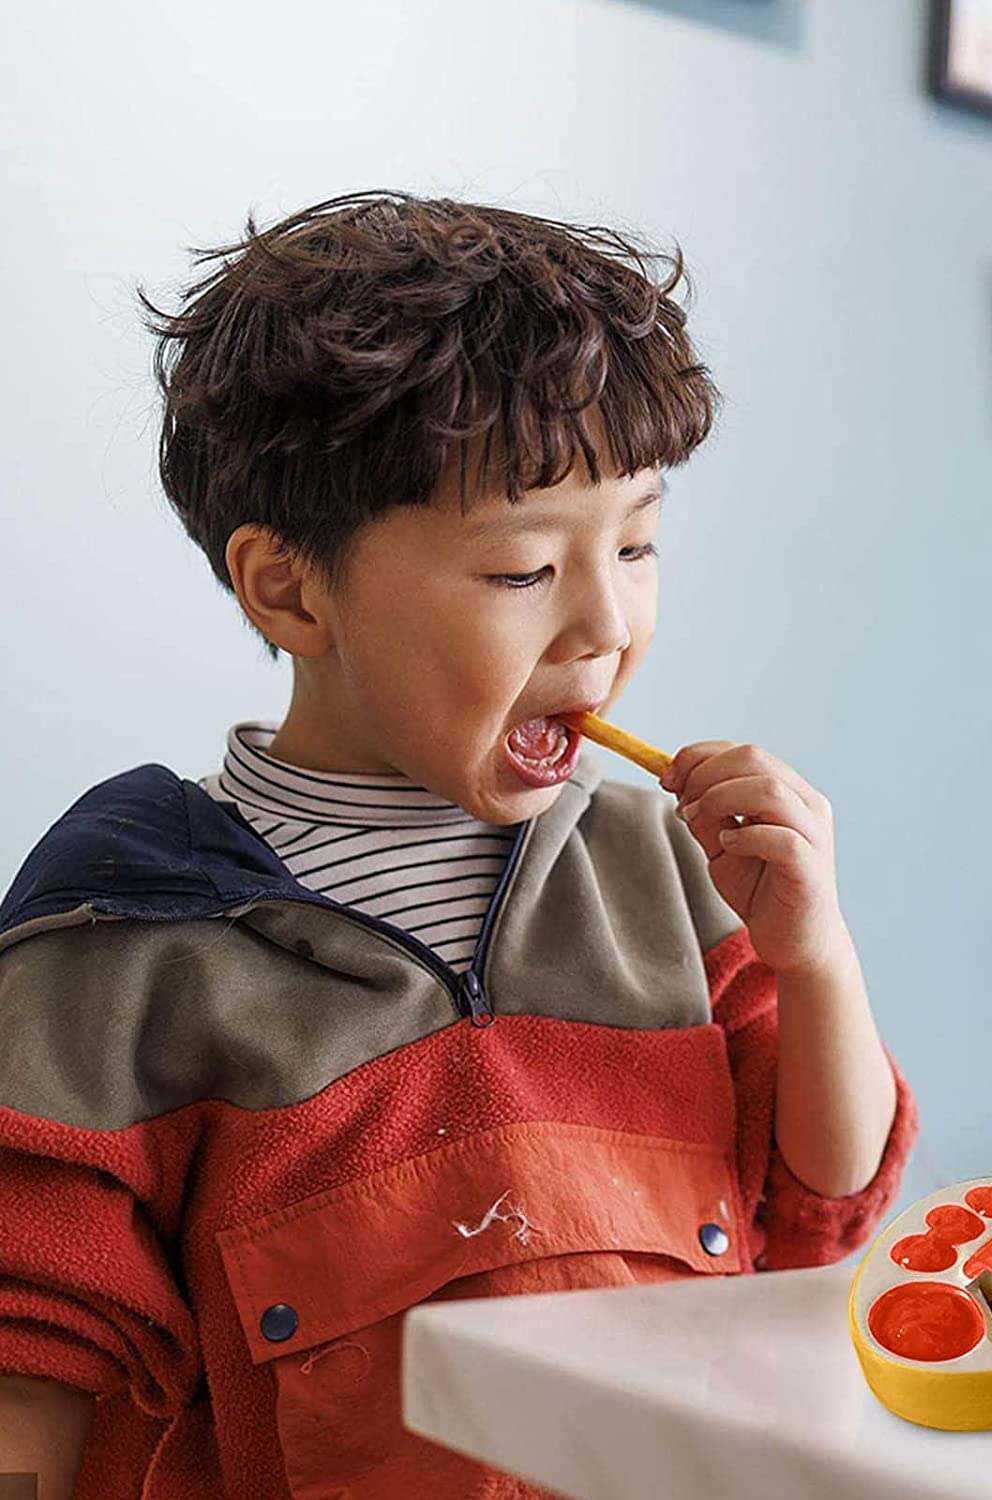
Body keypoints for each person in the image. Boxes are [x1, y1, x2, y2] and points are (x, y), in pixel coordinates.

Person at [0, 190, 916, 1500]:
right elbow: (31, 1361)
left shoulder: (667, 867)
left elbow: (820, 1209)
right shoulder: (118, 936)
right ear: (291, 586)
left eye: (640, 543)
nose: (606, 625)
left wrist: (818, 957)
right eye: (523, 570)